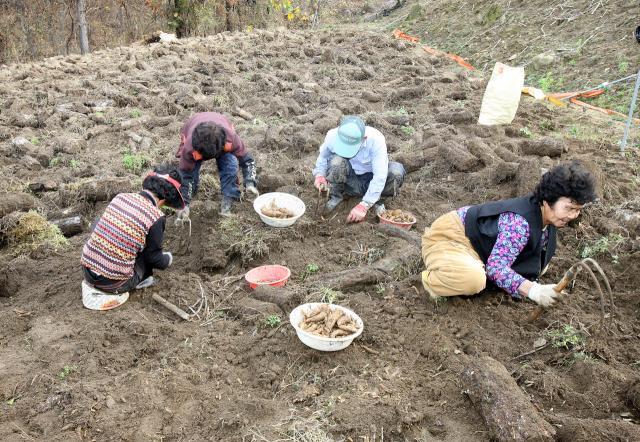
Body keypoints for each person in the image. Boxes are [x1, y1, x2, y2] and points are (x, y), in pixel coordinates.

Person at [421, 162, 597, 308]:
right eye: (569, 208)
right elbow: (495, 268)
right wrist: (534, 290)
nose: (573, 215)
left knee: (540, 266)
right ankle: (433, 280)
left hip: (481, 243)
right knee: (473, 279)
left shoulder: (548, 217)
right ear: (548, 200)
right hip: (452, 236)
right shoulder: (520, 223)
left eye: (578, 210)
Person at [80, 165, 184, 309]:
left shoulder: (120, 197)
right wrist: (167, 259)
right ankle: (144, 279)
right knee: (147, 252)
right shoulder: (156, 217)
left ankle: (98, 260)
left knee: (100, 222)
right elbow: (153, 258)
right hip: (114, 283)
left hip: (87, 271)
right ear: (164, 199)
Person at [312, 116, 406, 222]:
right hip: (348, 181)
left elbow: (380, 176)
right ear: (338, 130)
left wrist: (364, 206)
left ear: (364, 138)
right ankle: (336, 196)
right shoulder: (332, 136)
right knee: (336, 161)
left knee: (396, 171)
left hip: (370, 180)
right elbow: (323, 158)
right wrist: (319, 175)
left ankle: (378, 202)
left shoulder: (376, 140)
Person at [174, 112, 258, 219]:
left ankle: (228, 202)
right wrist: (183, 204)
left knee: (230, 167)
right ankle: (190, 194)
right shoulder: (189, 147)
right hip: (192, 128)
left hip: (221, 135)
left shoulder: (231, 138)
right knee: (191, 172)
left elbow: (247, 161)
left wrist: (250, 183)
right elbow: (185, 175)